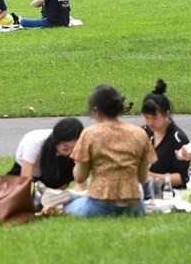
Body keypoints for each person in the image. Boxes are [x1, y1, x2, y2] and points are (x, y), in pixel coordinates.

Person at [64, 85, 152, 218]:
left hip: (101, 205)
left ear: (95, 110)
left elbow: (80, 176)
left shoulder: (90, 134)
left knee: (64, 207)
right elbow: (142, 177)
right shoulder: (139, 133)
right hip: (134, 205)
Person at [140, 79, 191, 191]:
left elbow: (182, 178)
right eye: (147, 118)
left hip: (167, 192)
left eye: (155, 118)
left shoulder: (178, 139)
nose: (150, 123)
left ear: (167, 114)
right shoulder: (143, 132)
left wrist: (150, 176)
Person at [7, 117, 84, 189]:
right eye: (65, 147)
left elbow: (81, 176)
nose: (69, 151)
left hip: (54, 169)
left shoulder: (80, 146)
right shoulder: (35, 143)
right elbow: (26, 180)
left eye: (73, 148)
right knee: (13, 190)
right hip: (28, 168)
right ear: (57, 140)